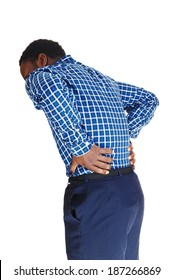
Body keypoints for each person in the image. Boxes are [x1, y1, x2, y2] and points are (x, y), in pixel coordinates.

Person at [19, 39, 159, 260]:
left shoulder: (44, 75)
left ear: (42, 59)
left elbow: (49, 88)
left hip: (98, 195)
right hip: (130, 190)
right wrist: (123, 137)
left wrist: (81, 148)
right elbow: (148, 100)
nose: (28, 81)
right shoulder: (100, 79)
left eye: (25, 74)